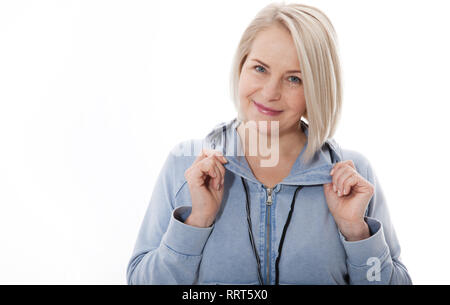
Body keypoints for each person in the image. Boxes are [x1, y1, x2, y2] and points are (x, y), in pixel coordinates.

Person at [126, 2, 412, 285]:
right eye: (260, 69)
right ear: (241, 66)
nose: (270, 92)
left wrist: (356, 232)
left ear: (317, 88)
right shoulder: (186, 164)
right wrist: (196, 221)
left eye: (294, 79)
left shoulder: (353, 176)